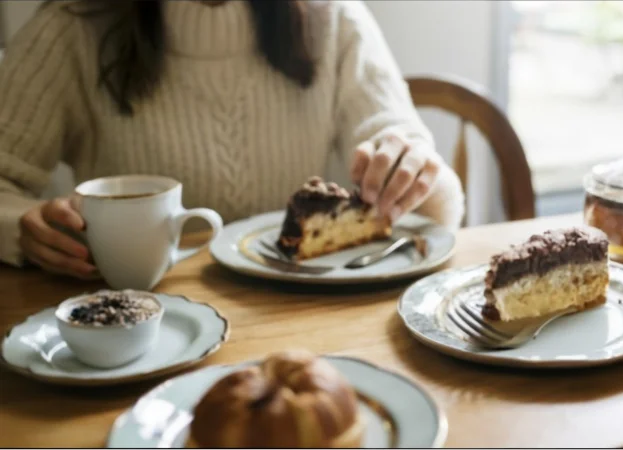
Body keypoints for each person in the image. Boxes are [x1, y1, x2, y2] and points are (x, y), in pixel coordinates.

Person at [0, 0, 464, 279]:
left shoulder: (334, 18)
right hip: (139, 334)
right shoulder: (73, 24)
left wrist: (415, 171)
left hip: (298, 321)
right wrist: (21, 226)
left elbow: (432, 208)